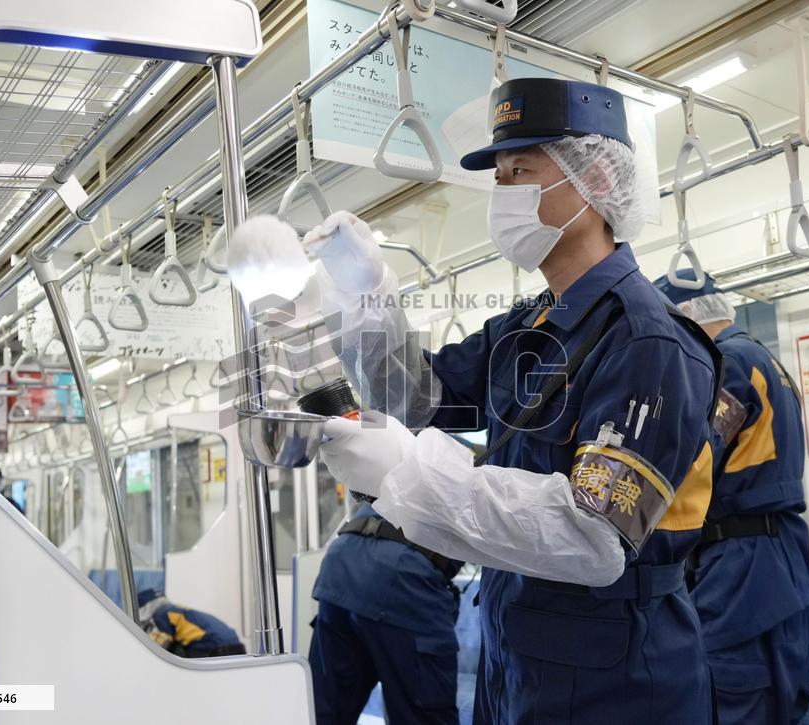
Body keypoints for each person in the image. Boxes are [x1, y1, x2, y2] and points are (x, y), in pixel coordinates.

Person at [302, 77, 723, 723]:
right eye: (497, 177)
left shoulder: (649, 341)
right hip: (518, 655)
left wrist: (407, 474)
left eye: (519, 172)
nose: (502, 195)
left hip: (617, 679)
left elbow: (593, 535)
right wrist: (366, 296)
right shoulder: (525, 329)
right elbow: (417, 400)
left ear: (598, 181)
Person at [654, 270, 809, 724]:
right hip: (779, 551)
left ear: (684, 319)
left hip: (741, 559)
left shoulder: (725, 362)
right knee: (777, 686)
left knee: (732, 686)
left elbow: (695, 456)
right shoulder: (766, 359)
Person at [308, 500, 463, 725]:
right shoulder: (488, 468)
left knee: (325, 713)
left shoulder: (408, 466)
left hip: (342, 561)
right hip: (405, 575)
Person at [138, 588, 246, 658]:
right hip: (234, 644)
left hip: (213, 647)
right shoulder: (175, 609)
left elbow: (160, 646)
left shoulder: (160, 615)